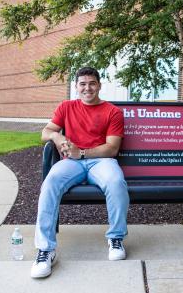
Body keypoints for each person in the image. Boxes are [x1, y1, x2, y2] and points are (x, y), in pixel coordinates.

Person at [31, 67, 129, 278]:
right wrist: (57, 137)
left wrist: (81, 153)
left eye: (92, 83)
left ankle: (116, 238)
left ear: (99, 85)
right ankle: (45, 250)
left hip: (101, 161)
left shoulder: (112, 112)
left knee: (115, 181)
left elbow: (112, 148)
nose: (87, 88)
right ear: (76, 87)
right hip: (71, 163)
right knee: (50, 182)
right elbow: (45, 132)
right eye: (82, 84)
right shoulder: (66, 107)